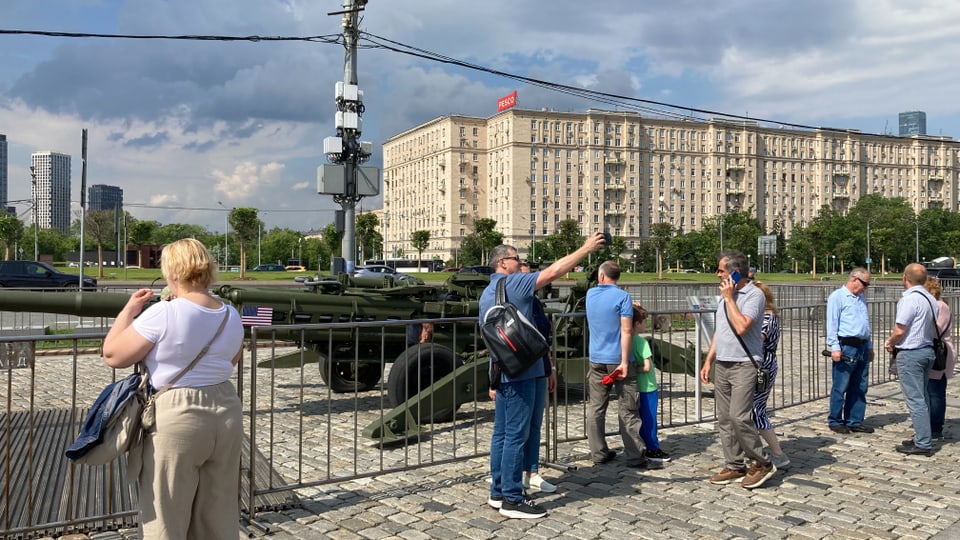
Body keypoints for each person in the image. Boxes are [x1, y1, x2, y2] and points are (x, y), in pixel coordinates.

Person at [102, 238, 245, 539]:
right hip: (225, 411)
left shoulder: (164, 313)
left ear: (174, 272)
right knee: (218, 513)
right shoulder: (231, 314)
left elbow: (114, 354)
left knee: (165, 513)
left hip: (178, 413)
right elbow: (230, 361)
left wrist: (129, 309)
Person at [482, 235, 604, 519]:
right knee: (516, 434)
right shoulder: (512, 283)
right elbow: (553, 272)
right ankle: (513, 498)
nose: (521, 263)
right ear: (503, 262)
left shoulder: (490, 291)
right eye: (517, 259)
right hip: (522, 373)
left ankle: (498, 490)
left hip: (506, 370)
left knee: (502, 433)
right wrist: (586, 248)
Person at [700, 250, 775, 489]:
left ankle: (762, 462)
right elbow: (720, 331)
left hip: (745, 363)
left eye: (721, 270)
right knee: (724, 418)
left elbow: (742, 326)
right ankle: (734, 464)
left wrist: (731, 298)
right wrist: (708, 360)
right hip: (723, 362)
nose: (717, 274)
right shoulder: (723, 297)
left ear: (734, 272)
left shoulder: (753, 295)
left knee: (739, 416)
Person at [488, 261, 558, 494]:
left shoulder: (531, 304)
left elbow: (539, 338)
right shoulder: (509, 292)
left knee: (529, 427)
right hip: (519, 371)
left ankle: (527, 474)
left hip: (535, 367)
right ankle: (508, 490)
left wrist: (550, 368)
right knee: (514, 432)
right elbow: (498, 339)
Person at [585, 261, 647, 468]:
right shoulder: (622, 297)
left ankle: (598, 452)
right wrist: (624, 361)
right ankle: (634, 455)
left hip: (596, 358)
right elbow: (627, 331)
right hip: (618, 360)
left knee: (595, 408)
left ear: (601, 276)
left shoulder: (590, 295)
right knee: (628, 408)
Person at [885, 263, 938, 456]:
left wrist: (890, 342)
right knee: (922, 397)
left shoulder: (909, 300)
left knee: (916, 400)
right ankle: (922, 436)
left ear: (904, 278)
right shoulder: (930, 298)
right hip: (926, 350)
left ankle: (923, 442)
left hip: (912, 353)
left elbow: (900, 329)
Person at [825, 268, 874, 434]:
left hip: (861, 345)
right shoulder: (838, 297)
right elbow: (832, 323)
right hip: (846, 345)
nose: (866, 288)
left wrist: (869, 346)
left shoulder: (860, 298)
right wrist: (835, 347)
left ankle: (854, 420)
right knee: (841, 384)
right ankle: (835, 420)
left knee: (860, 385)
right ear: (854, 279)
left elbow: (865, 324)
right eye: (864, 284)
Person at [751, 281, 789, 469]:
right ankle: (752, 449)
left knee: (757, 410)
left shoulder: (768, 317)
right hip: (756, 364)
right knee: (750, 410)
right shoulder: (762, 316)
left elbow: (758, 337)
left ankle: (777, 453)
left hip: (763, 366)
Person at [630, 303, 670, 463]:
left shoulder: (626, 340)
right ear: (637, 324)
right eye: (644, 322)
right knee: (650, 420)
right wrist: (637, 369)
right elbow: (646, 367)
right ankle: (653, 448)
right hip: (648, 386)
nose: (646, 325)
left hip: (635, 386)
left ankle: (639, 445)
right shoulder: (642, 343)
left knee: (638, 418)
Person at [923, 276, 955, 441]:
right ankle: (928, 425)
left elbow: (937, 329)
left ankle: (936, 429)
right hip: (932, 350)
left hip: (939, 353)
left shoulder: (940, 306)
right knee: (929, 391)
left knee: (936, 393)